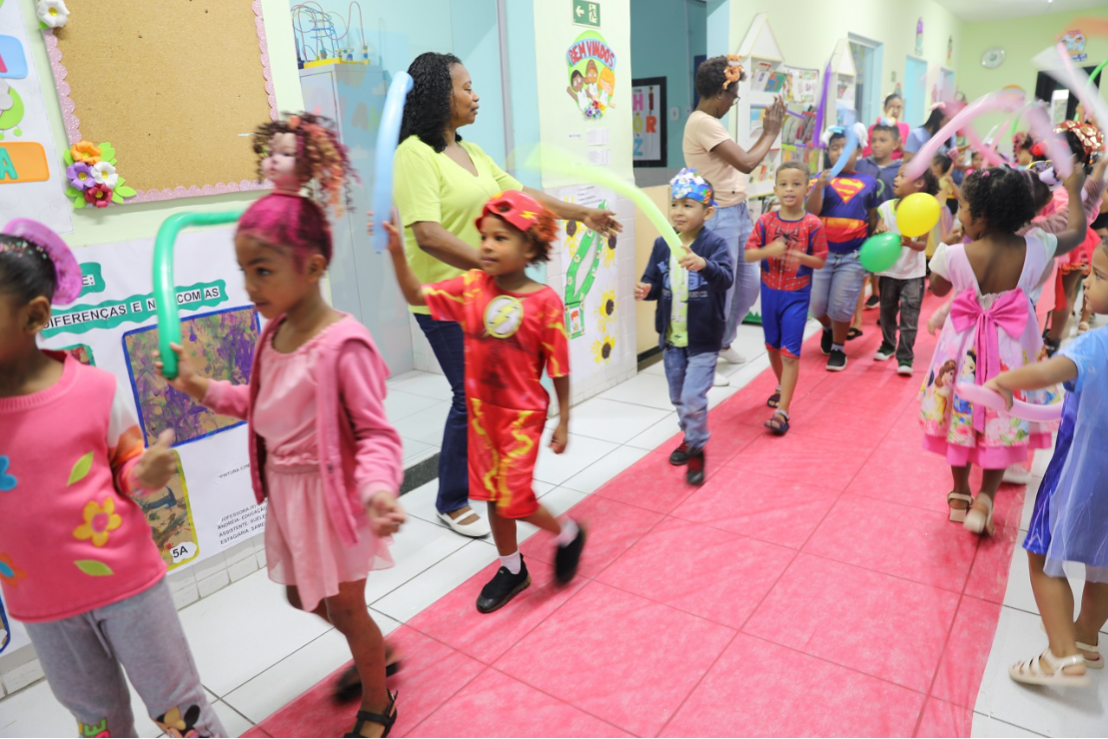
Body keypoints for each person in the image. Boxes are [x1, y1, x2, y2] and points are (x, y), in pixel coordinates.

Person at [164, 115, 407, 737]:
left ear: (314, 265)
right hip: (290, 498)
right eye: (245, 270)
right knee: (302, 596)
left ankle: (378, 698)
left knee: (347, 606)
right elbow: (261, 405)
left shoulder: (342, 345)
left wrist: (380, 489)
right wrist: (201, 388)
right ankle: (371, 651)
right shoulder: (275, 332)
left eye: (263, 270)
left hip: (338, 500)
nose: (250, 286)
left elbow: (377, 435)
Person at [0, 219, 226, 738]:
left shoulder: (94, 390)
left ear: (35, 315)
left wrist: (143, 470)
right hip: (40, 602)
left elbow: (127, 467)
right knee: (97, 722)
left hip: (127, 586)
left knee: (177, 709)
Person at [390, 52, 619, 540]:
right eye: (466, 86)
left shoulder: (471, 153)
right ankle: (452, 498)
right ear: (438, 95)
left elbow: (524, 197)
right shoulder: (413, 153)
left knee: (488, 391)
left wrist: (580, 213)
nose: (476, 95)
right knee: (465, 394)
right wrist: (493, 267)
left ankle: (493, 480)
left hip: (484, 291)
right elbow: (427, 234)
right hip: (444, 295)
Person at [384, 190, 586, 614]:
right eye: (485, 237)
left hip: (521, 417)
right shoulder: (471, 286)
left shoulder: (545, 302)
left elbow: (560, 368)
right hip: (481, 416)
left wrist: (564, 419)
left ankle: (567, 532)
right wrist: (397, 253)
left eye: (501, 238)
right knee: (493, 497)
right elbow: (415, 294)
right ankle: (512, 568)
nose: (487, 246)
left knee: (514, 499)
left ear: (529, 246)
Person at [920, 166, 1088, 537]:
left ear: (979, 216)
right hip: (1013, 350)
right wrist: (1074, 192)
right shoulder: (1037, 246)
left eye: (962, 207)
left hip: (962, 350)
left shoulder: (954, 254)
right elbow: (1076, 232)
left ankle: (960, 494)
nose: (959, 212)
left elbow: (936, 288)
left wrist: (954, 240)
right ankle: (986, 498)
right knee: (1003, 414)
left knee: (959, 415)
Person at [986, 238, 1108, 687]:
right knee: (1103, 562)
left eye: (1098, 275)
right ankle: (1086, 636)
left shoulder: (1095, 344)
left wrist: (1004, 379)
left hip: (1079, 475)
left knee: (1043, 556)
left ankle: (1062, 656)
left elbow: (1046, 373)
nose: (1088, 281)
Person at [684, 54, 786, 383]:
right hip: (718, 216)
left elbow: (740, 162)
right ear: (720, 94)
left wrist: (768, 134)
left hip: (737, 211)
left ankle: (722, 341)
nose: (732, 103)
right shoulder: (702, 122)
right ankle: (703, 357)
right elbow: (745, 163)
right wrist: (771, 132)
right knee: (718, 293)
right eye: (733, 97)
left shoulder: (711, 124)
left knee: (747, 286)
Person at [636, 169, 733, 481]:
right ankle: (689, 435)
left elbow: (726, 278)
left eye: (688, 205)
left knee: (693, 397)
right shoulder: (662, 244)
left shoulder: (714, 245)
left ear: (707, 212)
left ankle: (697, 448)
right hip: (671, 339)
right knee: (678, 397)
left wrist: (704, 265)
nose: (679, 211)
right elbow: (653, 279)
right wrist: (646, 289)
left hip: (703, 339)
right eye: (675, 203)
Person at [744, 161, 828, 435]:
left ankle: (783, 411)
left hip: (796, 295)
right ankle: (782, 386)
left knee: (790, 353)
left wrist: (800, 257)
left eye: (796, 184)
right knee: (772, 346)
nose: (789, 189)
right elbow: (748, 254)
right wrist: (771, 250)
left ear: (807, 188)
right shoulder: (766, 221)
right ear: (775, 188)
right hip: (769, 293)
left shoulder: (813, 223)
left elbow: (820, 262)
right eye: (783, 184)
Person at [806, 123, 879, 372]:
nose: (839, 152)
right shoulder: (820, 179)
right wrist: (819, 187)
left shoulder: (869, 181)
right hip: (822, 254)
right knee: (816, 305)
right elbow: (811, 213)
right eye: (834, 148)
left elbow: (872, 217)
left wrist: (873, 242)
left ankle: (838, 346)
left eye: (845, 147)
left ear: (858, 151)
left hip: (853, 254)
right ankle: (827, 328)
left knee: (842, 305)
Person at [1037, 122, 1104, 355]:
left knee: (1060, 294)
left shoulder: (1068, 183)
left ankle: (1051, 338)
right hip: (1057, 241)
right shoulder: (1052, 177)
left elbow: (1083, 211)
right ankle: (1049, 338)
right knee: (1056, 294)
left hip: (1062, 241)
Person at [873, 164, 940, 375]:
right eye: (897, 175)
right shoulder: (886, 207)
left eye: (903, 176)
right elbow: (877, 231)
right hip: (888, 272)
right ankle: (888, 344)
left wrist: (910, 243)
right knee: (886, 312)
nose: (896, 179)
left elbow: (922, 244)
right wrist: (880, 231)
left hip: (913, 274)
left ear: (919, 184)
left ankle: (905, 357)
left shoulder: (924, 211)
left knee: (909, 318)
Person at [853, 121, 902, 316]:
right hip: (863, 223)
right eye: (874, 140)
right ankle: (871, 296)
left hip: (887, 225)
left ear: (895, 144)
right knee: (864, 264)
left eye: (883, 140)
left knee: (887, 266)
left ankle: (886, 305)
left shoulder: (899, 169)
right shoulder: (862, 165)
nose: (877, 144)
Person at [863, 94, 911, 160]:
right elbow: (866, 154)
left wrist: (899, 144)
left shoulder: (905, 127)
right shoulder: (874, 128)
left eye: (898, 107)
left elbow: (909, 155)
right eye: (891, 107)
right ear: (884, 108)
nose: (895, 111)